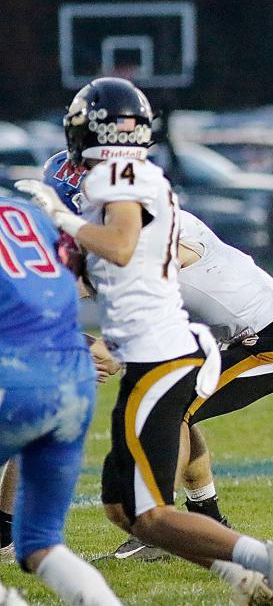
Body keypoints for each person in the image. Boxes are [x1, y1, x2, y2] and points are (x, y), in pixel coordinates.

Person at [16, 77, 273, 605]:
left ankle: (258, 556)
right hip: (179, 348)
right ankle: (241, 573)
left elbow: (127, 257)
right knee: (123, 507)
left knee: (145, 509)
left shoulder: (116, 186)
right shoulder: (136, 183)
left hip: (238, 342)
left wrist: (63, 227)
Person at [0, 194, 121, 605]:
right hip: (72, 375)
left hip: (13, 377)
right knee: (40, 542)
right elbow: (70, 288)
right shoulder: (28, 212)